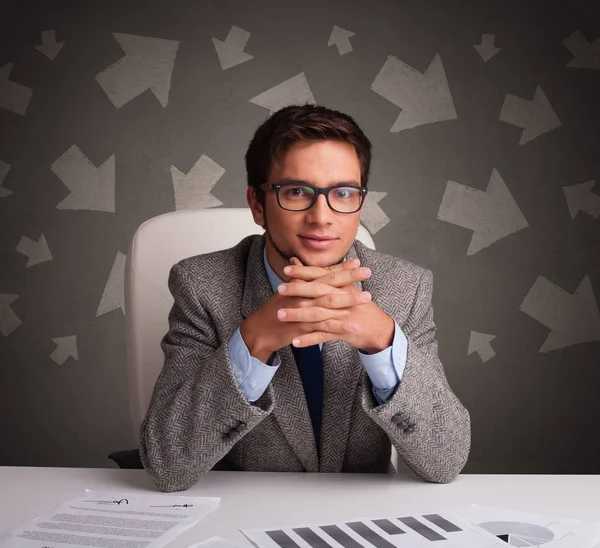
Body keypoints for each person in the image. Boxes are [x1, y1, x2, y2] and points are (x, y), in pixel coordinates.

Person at [139, 104, 471, 492]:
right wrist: (253, 341)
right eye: (296, 192)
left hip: (359, 521)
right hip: (242, 519)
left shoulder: (406, 287)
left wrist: (383, 341)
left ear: (359, 203)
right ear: (257, 204)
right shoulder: (201, 286)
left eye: (343, 193)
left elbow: (445, 461)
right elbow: (166, 465)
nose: (322, 216)